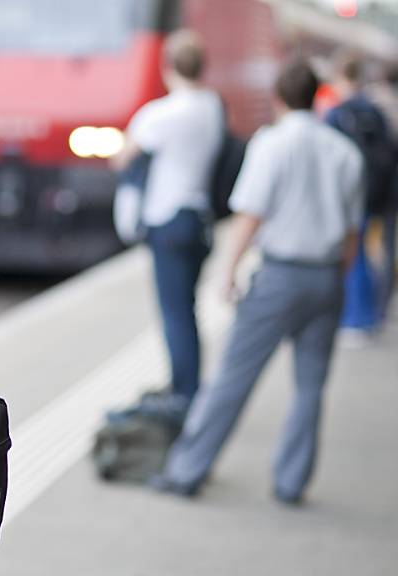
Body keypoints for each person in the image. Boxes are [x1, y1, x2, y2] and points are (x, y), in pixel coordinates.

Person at [151, 60, 364, 504]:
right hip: (327, 277)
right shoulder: (345, 152)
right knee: (310, 387)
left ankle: (186, 471)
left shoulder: (272, 142)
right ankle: (291, 484)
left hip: (280, 276)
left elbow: (251, 213)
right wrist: (336, 277)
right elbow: (351, 232)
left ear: (279, 98)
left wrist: (228, 271)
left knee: (232, 377)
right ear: (316, 96)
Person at [112, 30, 223, 405]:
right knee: (187, 309)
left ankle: (184, 395)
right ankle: (187, 384)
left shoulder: (160, 114)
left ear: (167, 66)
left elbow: (123, 158)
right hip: (199, 222)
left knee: (173, 312)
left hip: (168, 222)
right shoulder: (212, 108)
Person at [324, 51, 393, 342]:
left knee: (355, 257)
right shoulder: (374, 110)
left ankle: (356, 318)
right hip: (378, 194)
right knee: (372, 253)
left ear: (341, 76)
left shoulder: (337, 113)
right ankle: (374, 313)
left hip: (349, 197)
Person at [366, 62, 398, 321]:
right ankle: (383, 305)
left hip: (375, 187)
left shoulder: (374, 101)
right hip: (390, 186)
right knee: (388, 246)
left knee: (368, 245)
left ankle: (371, 306)